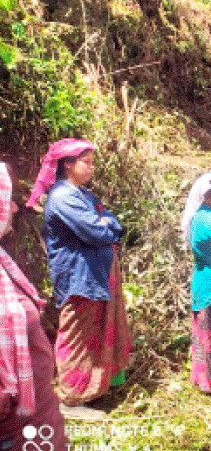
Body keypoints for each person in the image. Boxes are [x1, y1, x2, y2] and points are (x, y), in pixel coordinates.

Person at [27, 139, 130, 415]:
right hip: (78, 276)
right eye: (87, 161)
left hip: (92, 274)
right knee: (77, 336)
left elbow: (110, 221)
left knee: (91, 333)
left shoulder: (81, 195)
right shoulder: (64, 197)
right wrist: (107, 226)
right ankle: (71, 399)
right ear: (68, 165)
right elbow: (99, 231)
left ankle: (90, 390)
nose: (92, 167)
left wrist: (108, 224)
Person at [0, 163, 69, 451]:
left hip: (36, 421)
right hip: (16, 431)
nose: (14, 208)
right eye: (6, 201)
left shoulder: (4, 263)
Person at [181, 171, 211, 395]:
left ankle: (205, 378)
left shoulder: (201, 215)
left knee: (206, 330)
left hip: (204, 278)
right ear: (208, 196)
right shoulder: (210, 218)